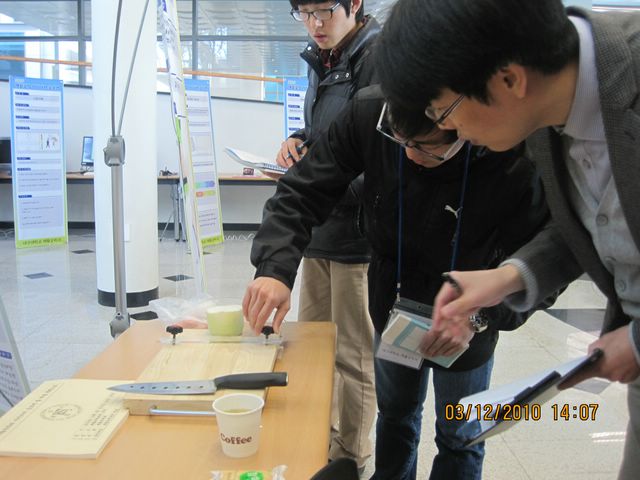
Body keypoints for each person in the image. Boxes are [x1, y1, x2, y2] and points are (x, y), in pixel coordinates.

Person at [374, 1, 640, 478]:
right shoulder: (542, 114)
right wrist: (505, 278)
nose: (446, 127)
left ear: (509, 80)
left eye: (443, 109)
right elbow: (587, 223)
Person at [243, 85, 554, 479]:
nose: (408, 154)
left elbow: (545, 258)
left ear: (460, 123)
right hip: (394, 307)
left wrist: (482, 316)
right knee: (395, 418)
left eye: (424, 147)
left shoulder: (511, 147)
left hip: (470, 321)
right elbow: (303, 190)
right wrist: (275, 269)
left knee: (460, 435)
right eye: (398, 140)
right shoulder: (372, 111)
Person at [271, 0, 381, 472]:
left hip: (356, 239)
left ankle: (352, 458)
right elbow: (325, 135)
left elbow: (379, 156)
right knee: (313, 349)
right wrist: (298, 141)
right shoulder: (323, 60)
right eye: (305, 12)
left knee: (353, 356)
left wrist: (322, 179)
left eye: (324, 10)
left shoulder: (376, 59)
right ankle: (321, 444)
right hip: (319, 228)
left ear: (354, 3)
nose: (315, 23)